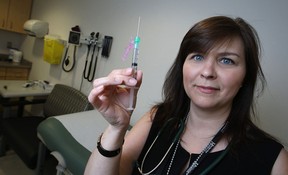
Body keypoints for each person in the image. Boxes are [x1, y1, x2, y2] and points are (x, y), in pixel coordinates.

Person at [84, 16, 288, 175]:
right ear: (183, 67)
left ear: (245, 76)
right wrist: (116, 128)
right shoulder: (158, 118)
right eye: (197, 57)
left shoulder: (273, 159)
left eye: (226, 61)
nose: (207, 72)